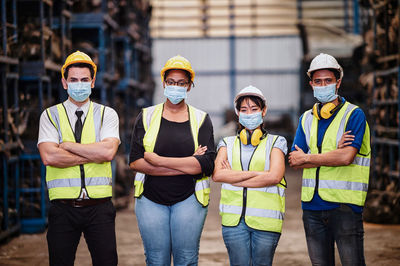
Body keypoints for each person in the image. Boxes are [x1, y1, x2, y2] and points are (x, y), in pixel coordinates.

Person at [129, 55, 215, 265]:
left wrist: (158, 161)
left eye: (181, 83)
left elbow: (206, 165)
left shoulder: (201, 119)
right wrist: (187, 165)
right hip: (150, 199)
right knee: (156, 260)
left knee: (186, 259)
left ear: (189, 86)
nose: (175, 87)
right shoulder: (146, 116)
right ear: (164, 82)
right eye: (171, 82)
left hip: (189, 199)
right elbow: (135, 161)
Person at [38, 51, 120, 266]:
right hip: (63, 208)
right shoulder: (50, 116)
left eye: (84, 80)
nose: (79, 84)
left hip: (99, 207)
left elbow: (108, 153)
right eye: (73, 80)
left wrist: (68, 147)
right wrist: (94, 154)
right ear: (64, 83)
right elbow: (49, 156)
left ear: (92, 82)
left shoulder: (107, 114)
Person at [288, 53, 371, 266]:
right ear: (311, 84)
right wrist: (332, 152)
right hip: (312, 209)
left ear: (338, 83)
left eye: (328, 81)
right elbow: (295, 161)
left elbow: (346, 157)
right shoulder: (306, 118)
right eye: (318, 81)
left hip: (344, 207)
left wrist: (309, 157)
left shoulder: (354, 115)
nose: (323, 85)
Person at [213, 85, 287, 266]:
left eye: (254, 109)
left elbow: (274, 177)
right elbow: (218, 175)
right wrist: (258, 174)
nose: (249, 113)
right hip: (233, 222)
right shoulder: (226, 143)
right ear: (238, 113)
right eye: (244, 109)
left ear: (264, 111)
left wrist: (234, 176)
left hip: (266, 223)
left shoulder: (277, 142)